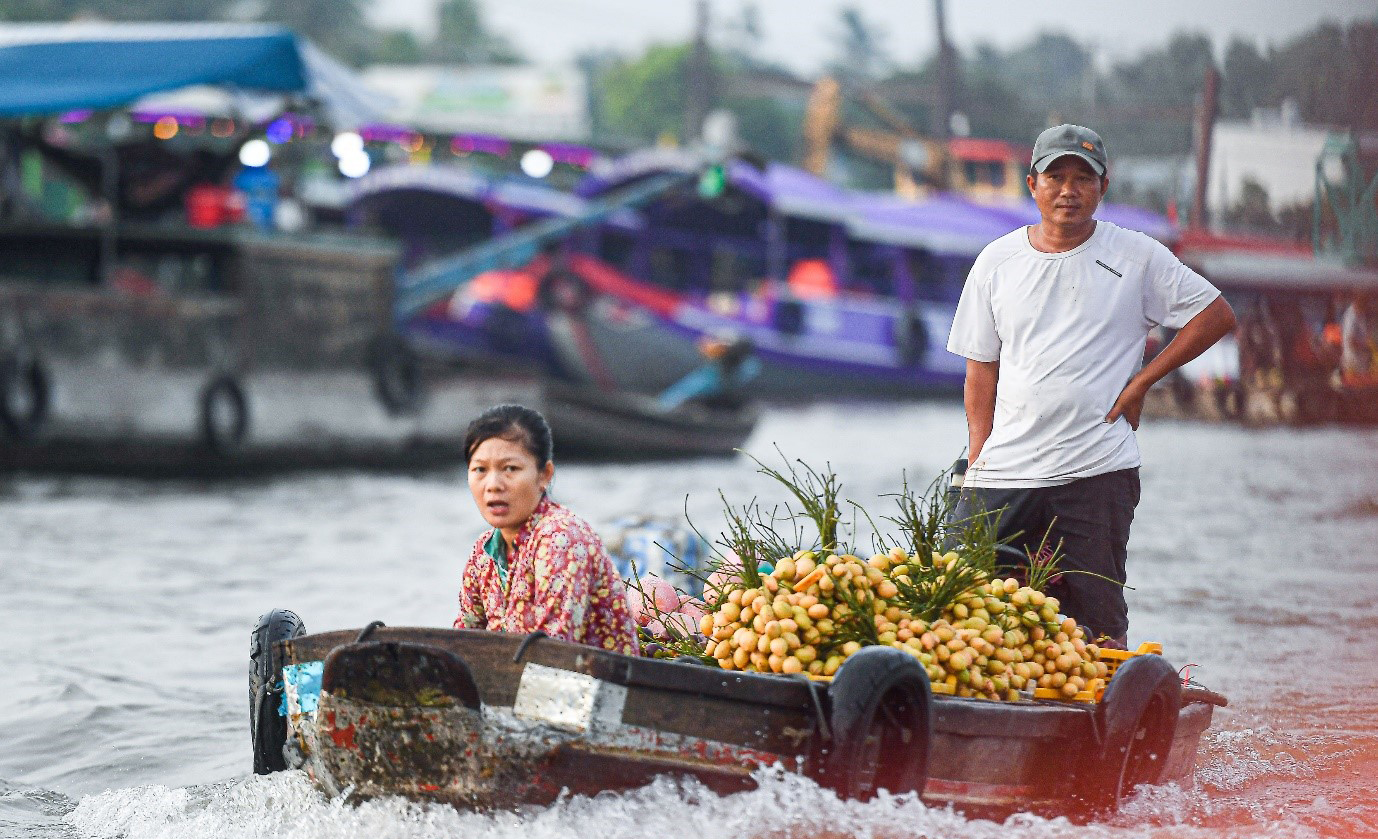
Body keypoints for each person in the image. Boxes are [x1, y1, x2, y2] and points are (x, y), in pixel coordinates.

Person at [945, 124, 1237, 645]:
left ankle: (1106, 715)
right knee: (961, 605)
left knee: (1097, 621)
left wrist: (1144, 381)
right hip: (1004, 471)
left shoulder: (1136, 256)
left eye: (1084, 178)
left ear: (1104, 187)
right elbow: (980, 370)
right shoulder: (997, 261)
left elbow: (1215, 314)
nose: (1068, 190)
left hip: (1096, 470)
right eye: (1055, 176)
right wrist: (978, 460)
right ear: (1032, 184)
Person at [454, 404, 638, 654]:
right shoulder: (483, 552)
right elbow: (463, 639)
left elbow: (555, 650)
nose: (493, 485)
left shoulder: (561, 536)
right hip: (520, 680)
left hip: (594, 686)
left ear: (544, 475)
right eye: (480, 470)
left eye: (510, 468)